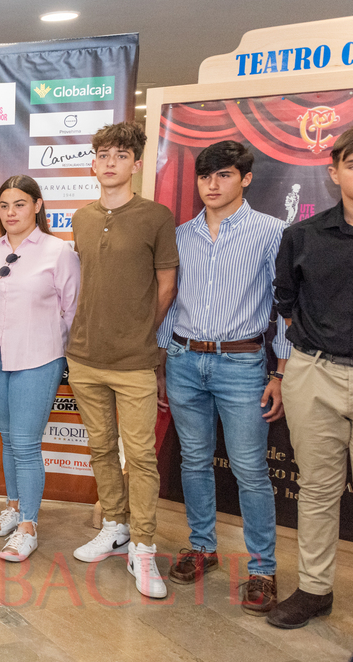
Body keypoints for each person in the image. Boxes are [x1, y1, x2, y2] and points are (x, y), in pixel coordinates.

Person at [156, 141, 287, 615]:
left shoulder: (271, 232)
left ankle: (262, 570)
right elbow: (169, 298)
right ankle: (202, 547)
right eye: (205, 176)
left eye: (224, 175)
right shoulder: (181, 235)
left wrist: (281, 369)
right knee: (193, 459)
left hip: (242, 364)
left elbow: (285, 304)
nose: (212, 185)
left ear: (245, 179)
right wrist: (163, 356)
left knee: (250, 469)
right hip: (185, 360)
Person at [67, 121, 178, 599]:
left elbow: (167, 286)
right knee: (99, 448)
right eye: (102, 154)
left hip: (135, 361)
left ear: (136, 163)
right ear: (93, 164)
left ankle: (144, 546)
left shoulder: (156, 216)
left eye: (120, 155)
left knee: (142, 457)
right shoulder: (82, 217)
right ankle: (114, 526)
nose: (110, 162)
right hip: (85, 356)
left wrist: (139, 332)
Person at [269, 127, 353, 629]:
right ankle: (315, 589)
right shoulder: (302, 235)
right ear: (335, 171)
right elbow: (285, 302)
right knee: (319, 488)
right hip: (315, 373)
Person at [0, 175, 80, 561]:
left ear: (37, 205)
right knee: (8, 438)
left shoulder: (58, 252)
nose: (10, 212)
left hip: (38, 358)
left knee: (25, 443)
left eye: (19, 204)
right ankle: (14, 506)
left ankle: (28, 526)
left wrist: (56, 350)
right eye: (4, 205)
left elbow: (72, 310)